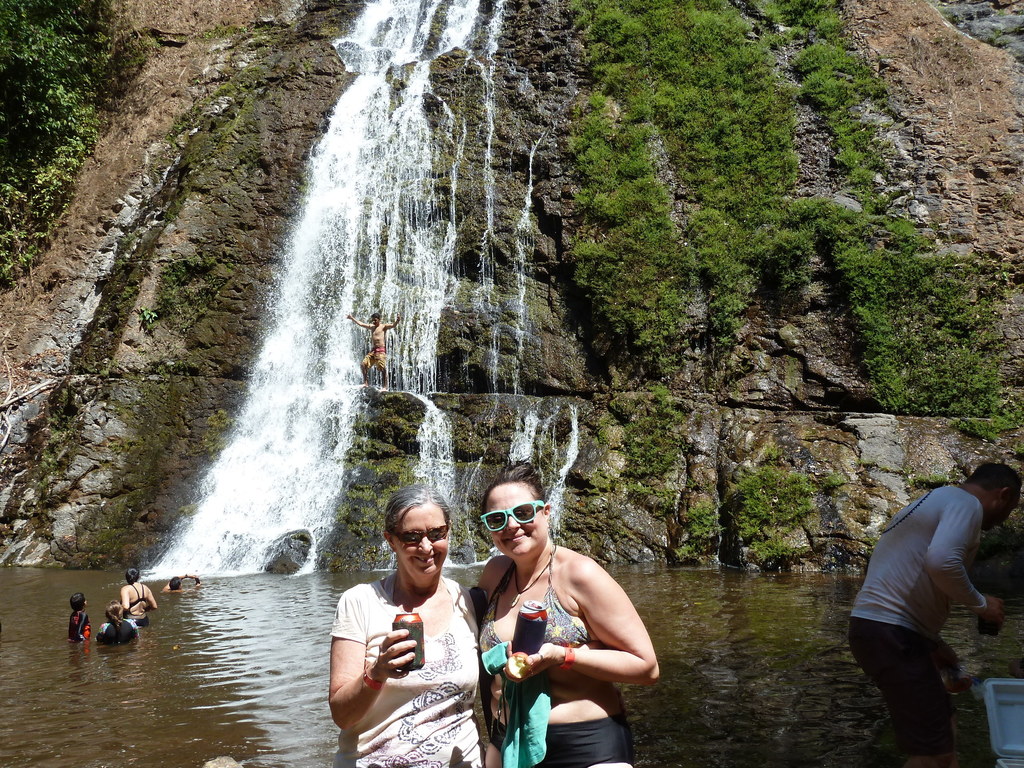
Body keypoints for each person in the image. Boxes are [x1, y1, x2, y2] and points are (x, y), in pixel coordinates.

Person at [477, 461, 659, 768]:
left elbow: (646, 667)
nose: (511, 526)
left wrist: (565, 656)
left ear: (546, 512)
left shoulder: (580, 574)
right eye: (497, 519)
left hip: (583, 745)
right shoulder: (495, 574)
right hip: (507, 741)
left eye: (522, 513)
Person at [848, 462, 1021, 768]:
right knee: (935, 755)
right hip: (891, 632)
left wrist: (936, 646)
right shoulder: (966, 504)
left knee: (945, 735)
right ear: (1003, 495)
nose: (1004, 520)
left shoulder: (938, 499)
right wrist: (982, 604)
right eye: (1009, 511)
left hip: (887, 631)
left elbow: (908, 579)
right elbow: (942, 563)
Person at [328, 484, 484, 768]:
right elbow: (342, 716)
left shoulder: (469, 600)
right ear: (391, 540)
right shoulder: (360, 602)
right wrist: (377, 672)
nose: (426, 547)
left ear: (448, 532)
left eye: (437, 534)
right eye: (412, 537)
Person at [346, 311, 401, 390]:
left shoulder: (383, 326)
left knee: (382, 368)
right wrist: (352, 318)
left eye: (375, 320)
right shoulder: (372, 327)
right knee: (363, 364)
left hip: (381, 351)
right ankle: (365, 383)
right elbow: (361, 324)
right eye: (373, 320)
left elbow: (393, 325)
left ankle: (385, 386)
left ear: (379, 319)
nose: (373, 322)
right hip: (373, 351)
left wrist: (397, 320)